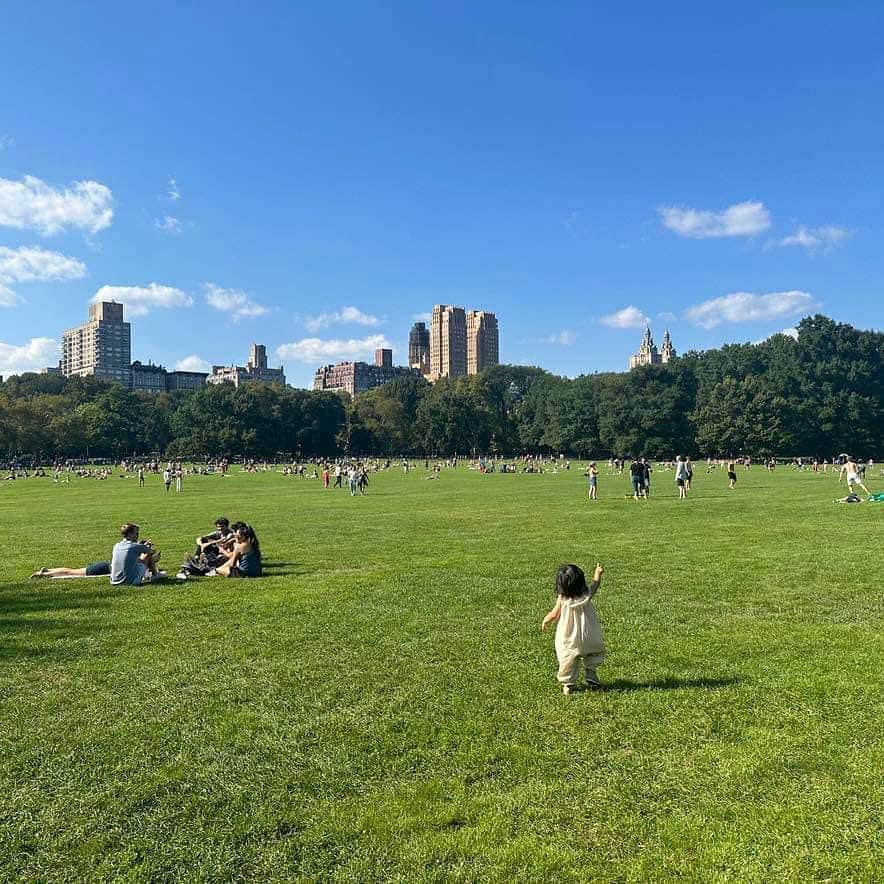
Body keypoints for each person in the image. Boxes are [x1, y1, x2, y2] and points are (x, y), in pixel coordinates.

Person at [541, 562, 605, 694]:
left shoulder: (562, 599)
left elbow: (554, 614)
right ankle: (591, 673)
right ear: (581, 582)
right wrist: (597, 573)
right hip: (589, 635)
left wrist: (545, 620)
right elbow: (595, 585)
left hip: (569, 637)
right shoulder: (586, 594)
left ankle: (568, 683)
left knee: (567, 657)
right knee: (593, 653)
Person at [31, 560, 111, 580]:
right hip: (104, 568)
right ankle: (44, 574)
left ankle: (47, 571)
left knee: (72, 571)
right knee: (71, 572)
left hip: (105, 565)